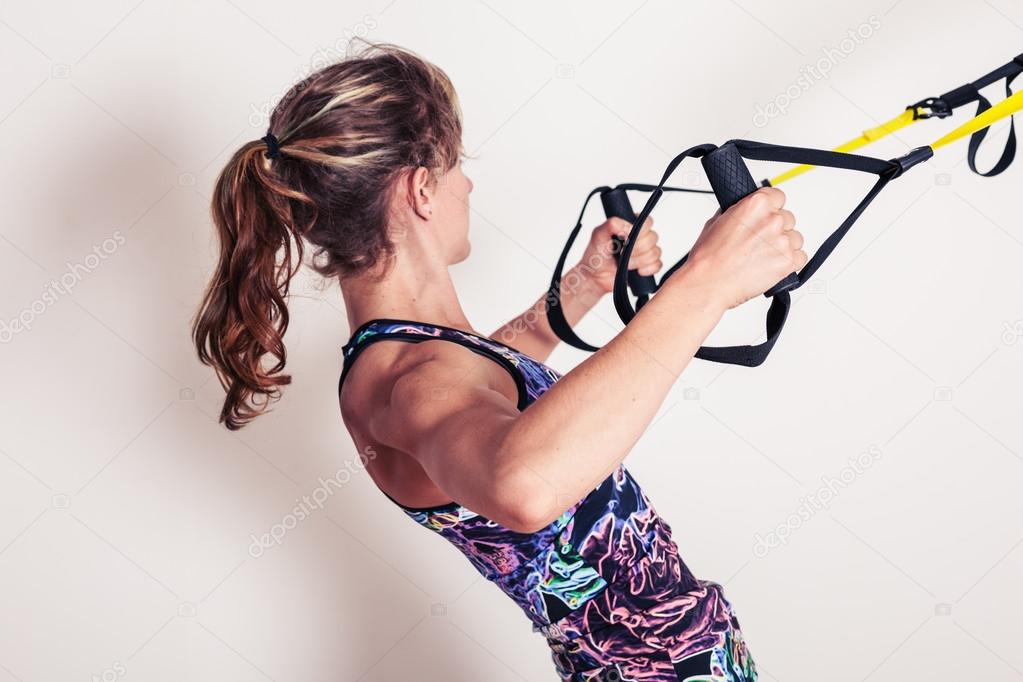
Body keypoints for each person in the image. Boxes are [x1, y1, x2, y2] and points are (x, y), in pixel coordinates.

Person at [193, 42, 805, 682]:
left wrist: (583, 285)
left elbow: (489, 387)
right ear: (419, 189)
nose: (469, 183)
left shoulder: (409, 354)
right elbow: (522, 485)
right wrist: (703, 283)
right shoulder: (411, 381)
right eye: (456, 166)